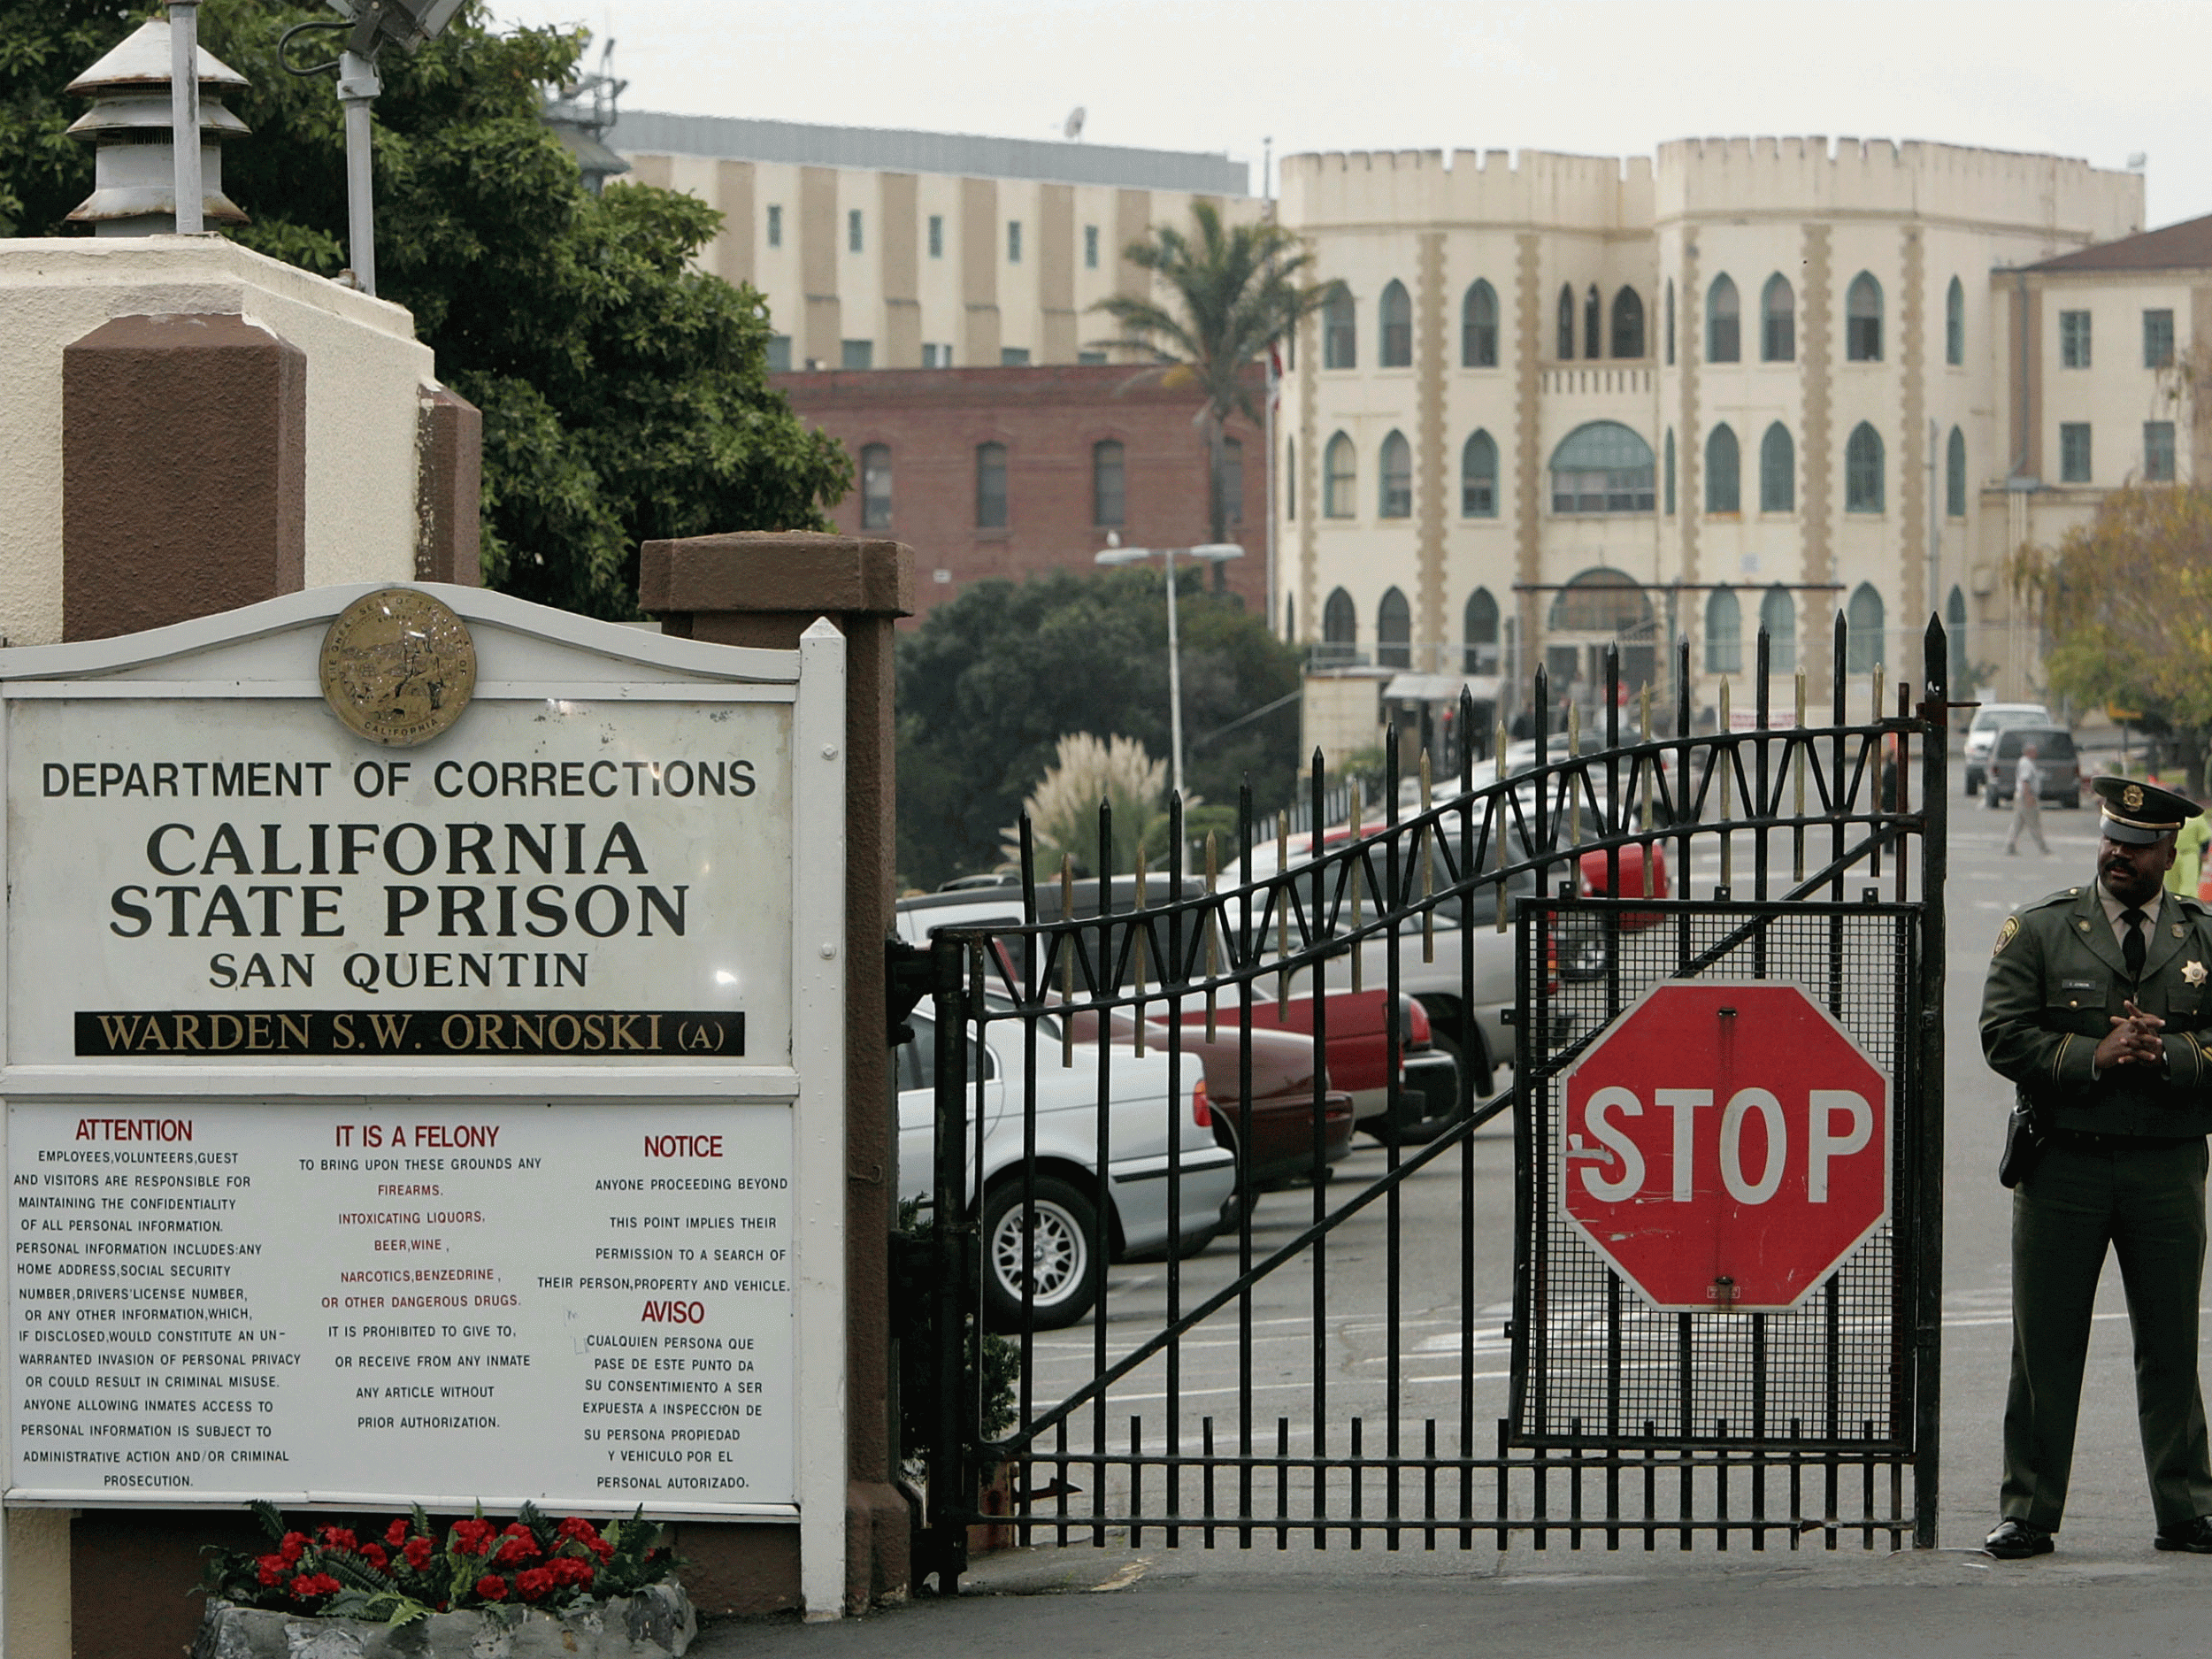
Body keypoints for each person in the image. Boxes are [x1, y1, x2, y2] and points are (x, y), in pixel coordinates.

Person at [1980, 775, 2212, 1559]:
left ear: (2167, 852)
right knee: (2044, 1346)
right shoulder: (2043, 929)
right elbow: (2002, 1034)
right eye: (2112, 839)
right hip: (2063, 1167)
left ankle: (2186, 1507)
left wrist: (2172, 1053)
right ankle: (2028, 1510)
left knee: (2172, 1342)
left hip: (2165, 1171)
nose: (2120, 855)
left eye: (2139, 846)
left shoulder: (2201, 937)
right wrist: (2093, 1053)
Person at [2005, 742, 2048, 856]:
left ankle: (2010, 844)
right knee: (2034, 822)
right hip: (2026, 796)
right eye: (2034, 751)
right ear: (2028, 752)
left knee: (2018, 823)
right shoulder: (2026, 763)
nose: (2036, 753)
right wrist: (2028, 797)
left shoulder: (2028, 763)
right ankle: (2042, 846)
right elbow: (2025, 781)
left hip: (2023, 796)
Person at [2169, 798, 2210, 898]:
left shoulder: (2195, 817)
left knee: (2188, 885)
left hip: (2188, 855)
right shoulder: (2171, 815)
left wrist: (2204, 853)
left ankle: (2186, 909)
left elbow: (2205, 838)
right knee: (2172, 885)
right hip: (2175, 854)